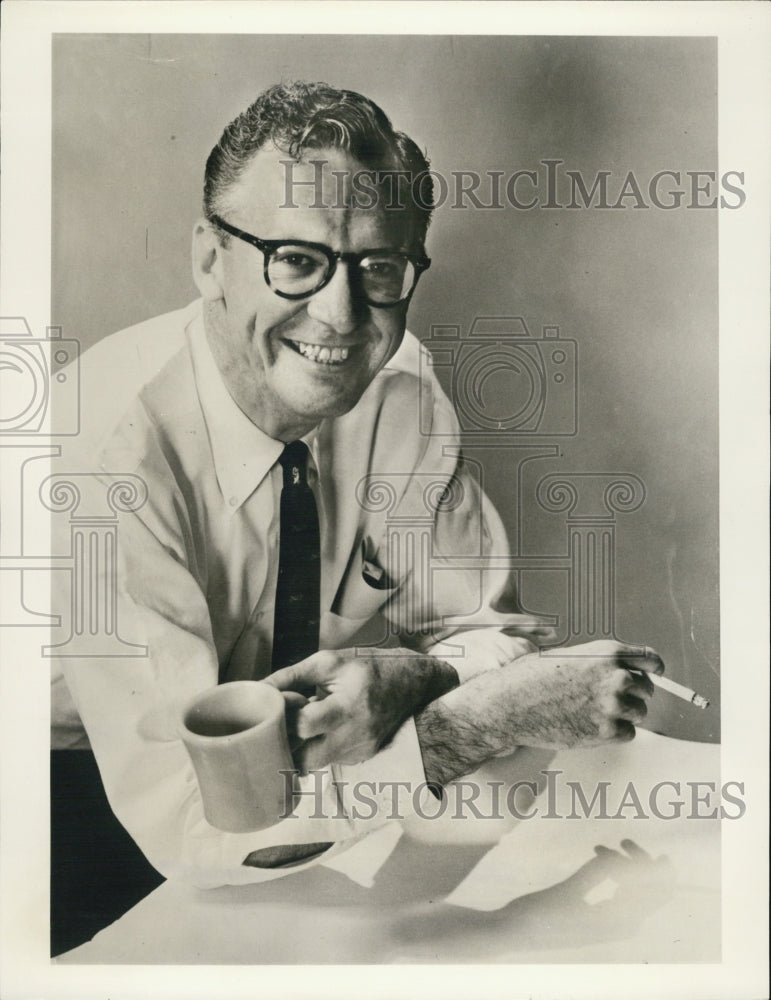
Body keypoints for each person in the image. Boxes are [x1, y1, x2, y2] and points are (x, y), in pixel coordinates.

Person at [50, 81, 662, 950]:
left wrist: (419, 676)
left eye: (378, 268)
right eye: (294, 260)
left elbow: (483, 629)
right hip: (63, 798)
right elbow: (200, 821)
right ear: (205, 259)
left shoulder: (400, 392)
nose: (341, 318)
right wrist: (476, 718)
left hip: (301, 786)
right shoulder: (105, 460)